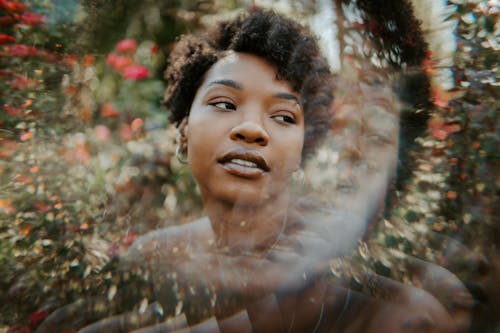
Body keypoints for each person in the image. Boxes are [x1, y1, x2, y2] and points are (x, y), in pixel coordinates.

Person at [36, 8, 472, 333]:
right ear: (184, 131)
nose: (251, 129)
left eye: (284, 117)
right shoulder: (154, 259)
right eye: (224, 104)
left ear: (304, 148)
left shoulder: (397, 313)